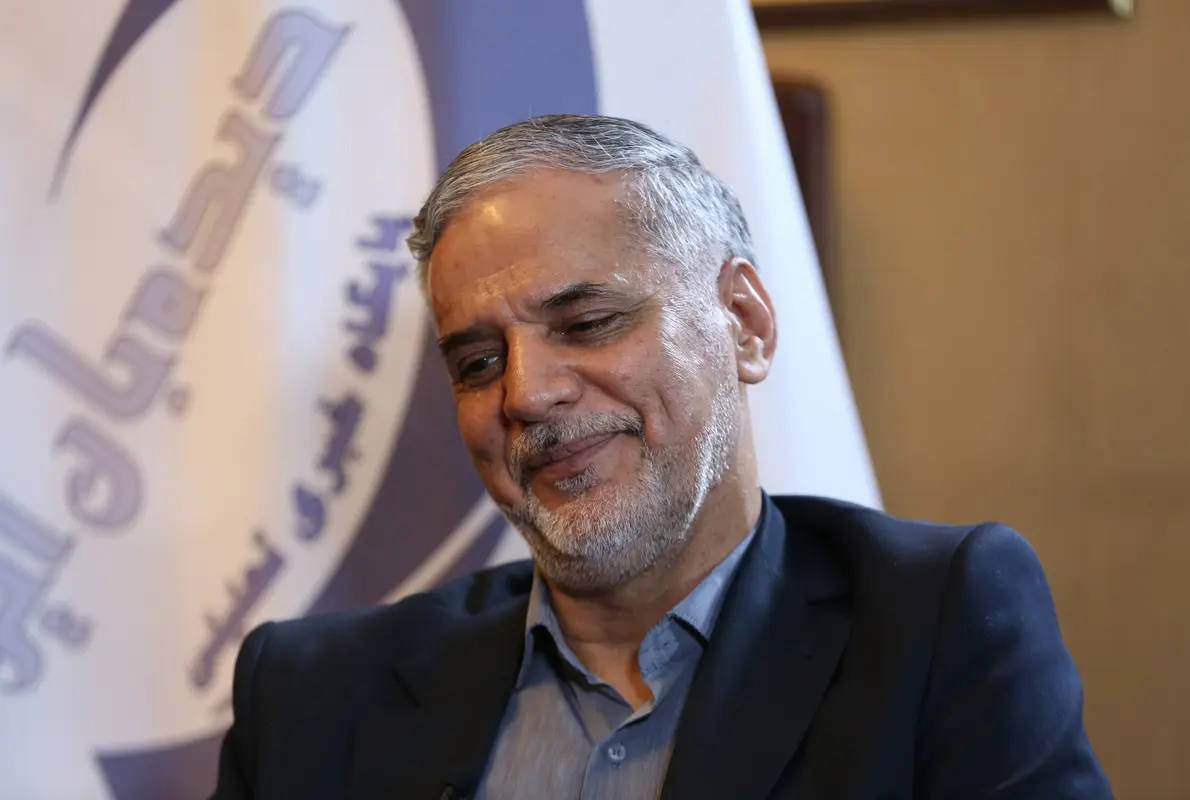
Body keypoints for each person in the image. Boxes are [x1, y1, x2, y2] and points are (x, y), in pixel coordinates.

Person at [210, 114, 1111, 800]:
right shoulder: (311, 697)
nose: (527, 393)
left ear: (744, 324)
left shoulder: (934, 624)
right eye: (478, 363)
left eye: (588, 322)